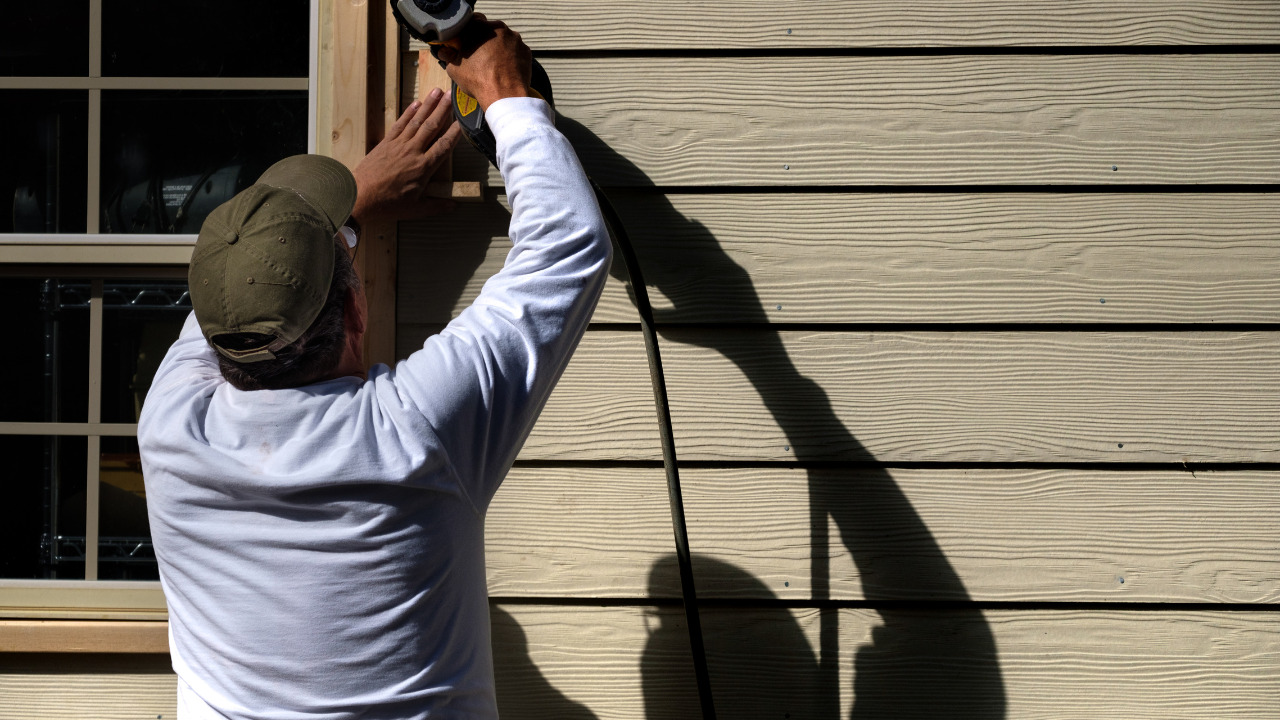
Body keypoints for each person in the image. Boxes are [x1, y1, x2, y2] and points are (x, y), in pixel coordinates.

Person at [138, 18, 611, 719]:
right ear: (357, 313)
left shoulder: (168, 422)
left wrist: (353, 202)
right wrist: (507, 94)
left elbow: (242, 297)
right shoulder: (413, 433)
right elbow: (567, 245)